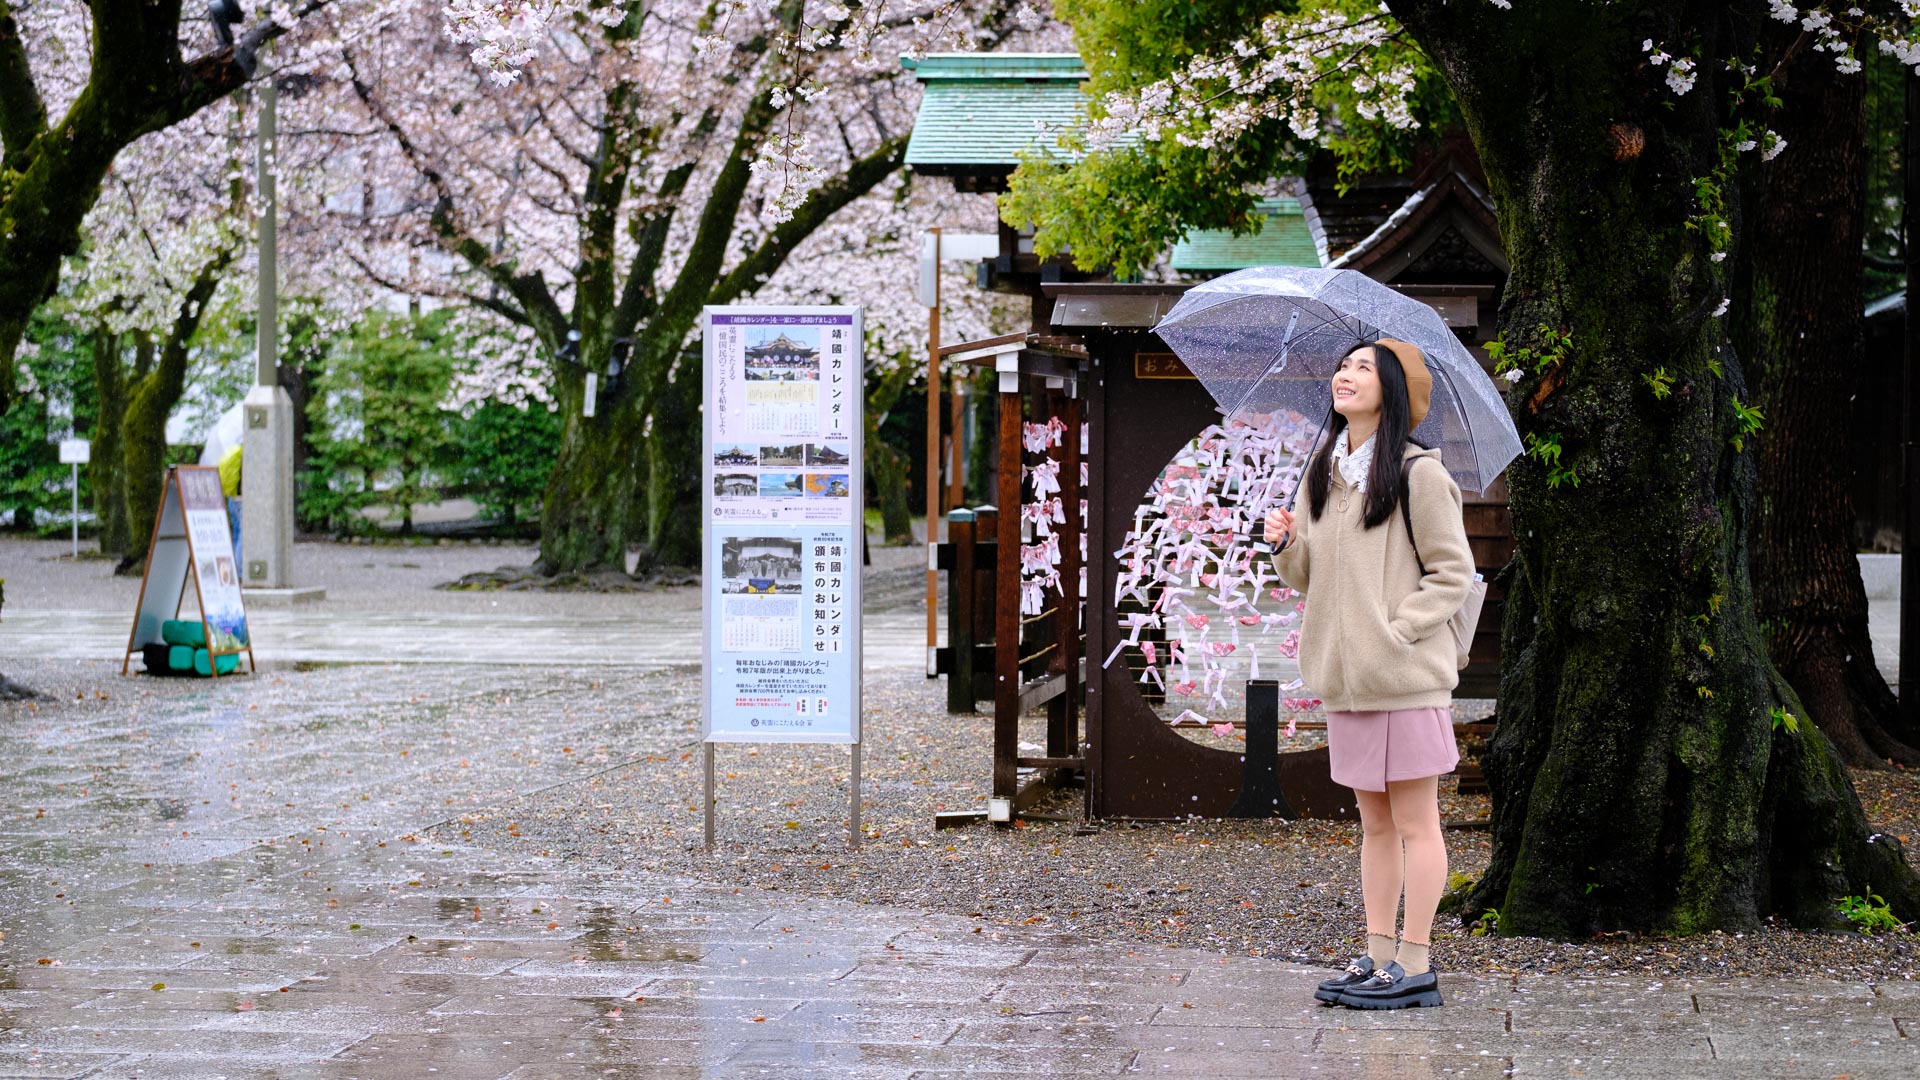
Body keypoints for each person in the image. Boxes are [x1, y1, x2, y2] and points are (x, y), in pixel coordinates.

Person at [1264, 339, 1474, 1011]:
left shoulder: (1418, 475)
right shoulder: (1322, 472)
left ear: (1391, 388)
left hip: (1406, 680)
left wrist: (1397, 631)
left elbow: (1452, 574)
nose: (1344, 375)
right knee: (1374, 825)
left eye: (1361, 367)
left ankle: (1415, 963)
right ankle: (1378, 953)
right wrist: (1285, 545)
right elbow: (1308, 578)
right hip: (1348, 683)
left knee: (1417, 822)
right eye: (1342, 366)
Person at [218, 443, 243, 566]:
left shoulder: (234, 451)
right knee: (243, 535)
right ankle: (238, 570)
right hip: (242, 499)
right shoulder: (246, 455)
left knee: (236, 534)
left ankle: (232, 567)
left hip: (232, 498)